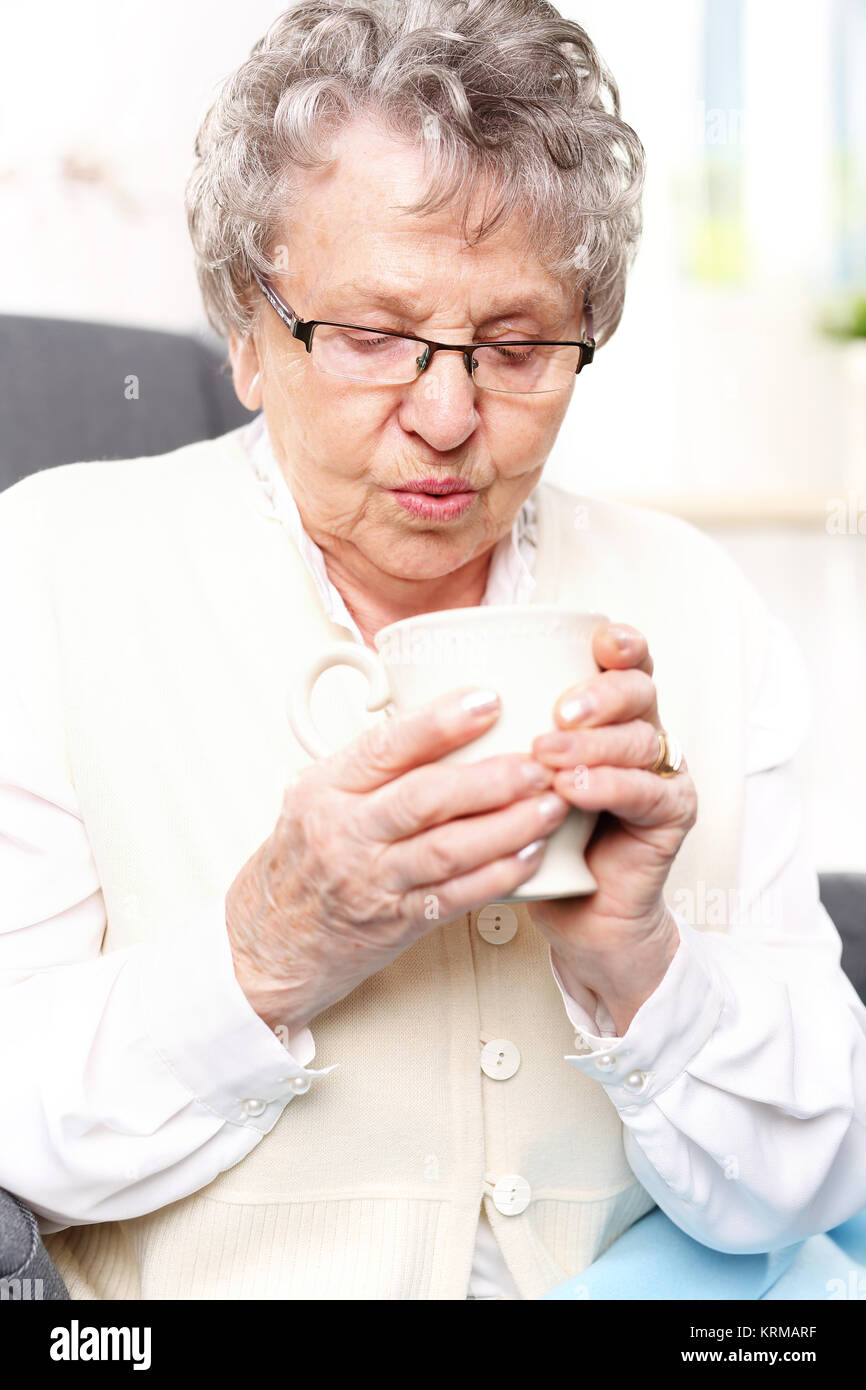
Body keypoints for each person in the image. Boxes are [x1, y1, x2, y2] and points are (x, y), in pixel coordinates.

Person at [1, 0, 864, 1301]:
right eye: (368, 338)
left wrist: (637, 963)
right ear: (246, 326)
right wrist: (270, 946)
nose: (450, 415)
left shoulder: (694, 603)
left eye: (518, 346)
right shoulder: (51, 570)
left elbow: (801, 1193)